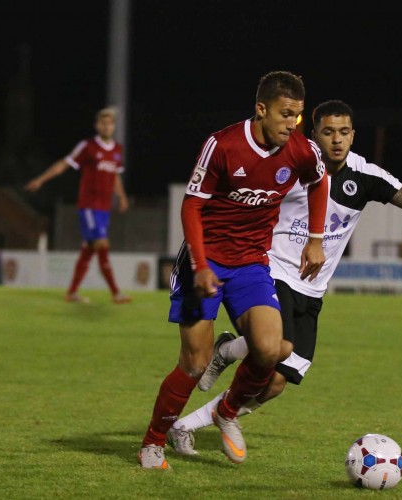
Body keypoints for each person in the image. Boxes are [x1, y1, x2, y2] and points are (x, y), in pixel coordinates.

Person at [165, 100, 402, 456]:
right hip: (273, 271)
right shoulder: (294, 161)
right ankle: (230, 362)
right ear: (314, 133)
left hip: (313, 290)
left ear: (352, 135)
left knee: (275, 384)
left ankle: (187, 421)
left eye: (344, 132)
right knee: (270, 351)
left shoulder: (367, 175)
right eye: (328, 132)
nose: (336, 140)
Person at [138, 71, 329, 469]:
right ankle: (153, 442)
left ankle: (227, 410)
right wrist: (201, 265)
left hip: (251, 266)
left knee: (272, 349)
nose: (291, 123)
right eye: (284, 114)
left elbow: (319, 181)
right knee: (193, 362)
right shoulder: (222, 145)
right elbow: (192, 206)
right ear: (261, 109)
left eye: (296, 115)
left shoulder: (300, 149)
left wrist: (315, 237)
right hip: (202, 264)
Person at [25, 107, 131, 304]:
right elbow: (64, 164)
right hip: (89, 206)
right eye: (103, 123)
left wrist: (122, 196)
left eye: (110, 123)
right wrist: (41, 179)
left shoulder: (117, 150)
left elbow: (115, 174)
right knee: (102, 244)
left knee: (89, 250)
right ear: (97, 125)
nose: (106, 126)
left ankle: (72, 293)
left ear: (113, 127)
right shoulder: (88, 147)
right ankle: (116, 293)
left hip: (104, 208)